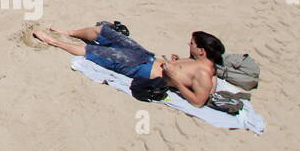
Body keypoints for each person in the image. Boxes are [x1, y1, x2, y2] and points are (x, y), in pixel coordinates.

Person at [32, 24, 223, 108]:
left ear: (202, 51)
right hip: (146, 56)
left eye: (192, 43)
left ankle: (53, 42)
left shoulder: (204, 74)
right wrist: (177, 62)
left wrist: (176, 81)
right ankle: (70, 31)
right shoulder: (201, 62)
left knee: (95, 52)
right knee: (104, 31)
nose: (188, 44)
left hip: (141, 68)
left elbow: (198, 101)